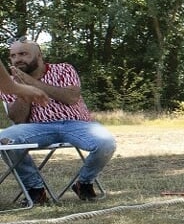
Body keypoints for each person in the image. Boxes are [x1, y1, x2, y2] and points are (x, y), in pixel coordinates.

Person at [0, 39, 118, 204]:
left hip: (76, 123)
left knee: (106, 142)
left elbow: (71, 97)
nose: (18, 59)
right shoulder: (9, 82)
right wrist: (23, 90)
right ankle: (35, 190)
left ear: (39, 55)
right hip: (36, 127)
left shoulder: (63, 69)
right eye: (13, 56)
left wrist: (32, 83)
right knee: (5, 140)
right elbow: (18, 119)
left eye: (23, 54)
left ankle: (84, 183)